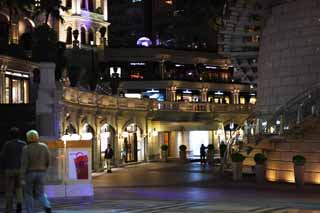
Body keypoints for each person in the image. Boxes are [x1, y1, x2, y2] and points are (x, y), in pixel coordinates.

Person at [20, 130, 52, 213]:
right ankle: (47, 205)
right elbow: (48, 159)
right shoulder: (44, 146)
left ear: (28, 138)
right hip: (41, 172)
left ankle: (30, 211)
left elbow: (24, 163)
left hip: (30, 173)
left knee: (28, 193)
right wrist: (45, 168)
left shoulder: (26, 148)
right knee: (40, 193)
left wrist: (22, 177)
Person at [0, 127, 26, 213]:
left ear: (10, 135)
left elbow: (2, 157)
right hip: (20, 170)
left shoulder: (7, 144)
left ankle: (9, 209)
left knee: (9, 191)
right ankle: (19, 207)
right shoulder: (23, 144)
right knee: (19, 189)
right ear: (19, 135)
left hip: (9, 170)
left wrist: (3, 168)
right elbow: (25, 157)